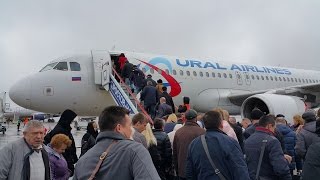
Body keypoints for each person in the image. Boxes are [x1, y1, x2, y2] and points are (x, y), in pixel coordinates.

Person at [73, 106, 160, 179]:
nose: (132, 130)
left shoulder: (82, 161)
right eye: (129, 126)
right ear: (119, 128)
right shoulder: (135, 150)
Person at [186, 110, 250, 180]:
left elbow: (190, 173)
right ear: (221, 124)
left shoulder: (194, 144)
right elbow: (240, 170)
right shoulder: (229, 142)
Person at [245, 115, 291, 180]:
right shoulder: (272, 141)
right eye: (274, 127)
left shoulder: (248, 140)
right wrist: (285, 161)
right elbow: (280, 168)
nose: (275, 130)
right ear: (269, 126)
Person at [173, 109, 205, 180]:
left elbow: (175, 153)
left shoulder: (178, 132)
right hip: (198, 171)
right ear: (196, 118)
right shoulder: (202, 132)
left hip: (182, 170)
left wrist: (177, 170)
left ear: (185, 118)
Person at [44, 109, 78, 176]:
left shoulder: (64, 128)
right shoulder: (60, 130)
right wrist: (68, 165)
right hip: (62, 163)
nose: (71, 122)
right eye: (71, 120)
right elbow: (60, 149)